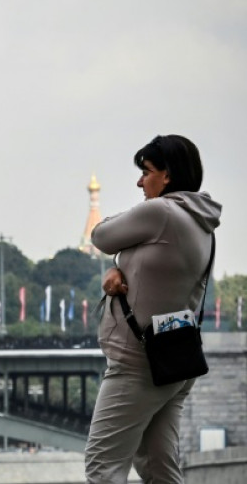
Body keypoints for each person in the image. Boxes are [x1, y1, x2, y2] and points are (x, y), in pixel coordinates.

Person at [85, 135, 221, 483]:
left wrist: (115, 258)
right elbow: (155, 263)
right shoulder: (201, 222)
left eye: (146, 171)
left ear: (168, 175)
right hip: (175, 359)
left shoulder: (159, 211)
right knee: (160, 468)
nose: (139, 181)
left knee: (104, 466)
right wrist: (119, 266)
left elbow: (100, 235)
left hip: (138, 364)